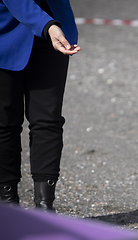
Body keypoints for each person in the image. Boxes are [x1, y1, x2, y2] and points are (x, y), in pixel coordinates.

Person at [0, 0, 81, 212]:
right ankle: (9, 209)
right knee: (4, 123)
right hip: (5, 30)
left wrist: (51, 26)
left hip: (55, 28)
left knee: (48, 121)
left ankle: (45, 209)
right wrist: (47, 26)